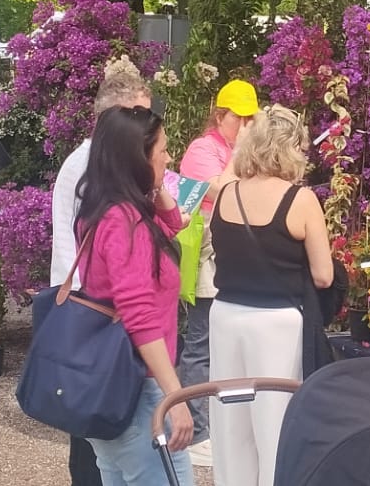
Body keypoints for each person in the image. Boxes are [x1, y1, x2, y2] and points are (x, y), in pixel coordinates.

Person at [205, 106, 332, 486]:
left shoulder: (226, 194)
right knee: (275, 424)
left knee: (230, 425)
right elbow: (323, 275)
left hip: (226, 316)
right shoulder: (300, 200)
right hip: (276, 322)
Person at [76, 105, 193, 485]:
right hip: (139, 387)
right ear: (138, 158)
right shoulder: (126, 222)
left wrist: (155, 187)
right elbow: (139, 316)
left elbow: (172, 226)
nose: (169, 158)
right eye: (163, 150)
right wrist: (174, 397)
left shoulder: (102, 211)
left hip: (109, 383)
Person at [50, 70, 152, 486]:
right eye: (139, 115)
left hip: (90, 299)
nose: (147, 125)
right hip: (89, 301)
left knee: (99, 418)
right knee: (91, 417)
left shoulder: (98, 160)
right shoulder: (90, 164)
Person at [176, 79, 260, 466]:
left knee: (229, 342)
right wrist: (241, 150)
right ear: (220, 115)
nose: (244, 125)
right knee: (201, 342)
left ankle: (221, 425)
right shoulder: (201, 150)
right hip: (206, 258)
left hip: (236, 256)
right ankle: (196, 431)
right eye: (238, 117)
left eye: (250, 118)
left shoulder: (239, 147)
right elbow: (221, 191)